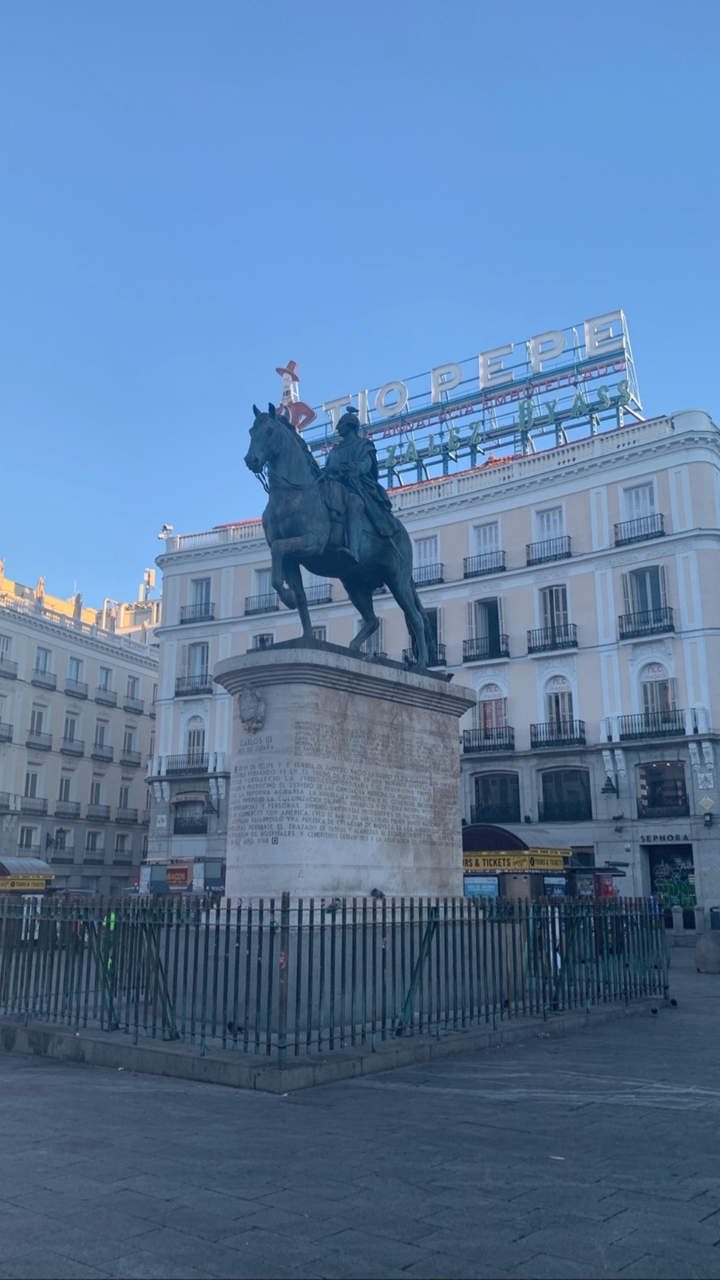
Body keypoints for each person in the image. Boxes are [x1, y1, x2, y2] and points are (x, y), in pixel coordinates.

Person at [320, 407, 396, 560]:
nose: (338, 428)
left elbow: (365, 466)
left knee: (353, 503)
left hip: (356, 487)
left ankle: (353, 550)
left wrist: (350, 470)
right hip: (334, 487)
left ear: (350, 426)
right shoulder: (334, 451)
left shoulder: (363, 445)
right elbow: (326, 470)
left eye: (341, 424)